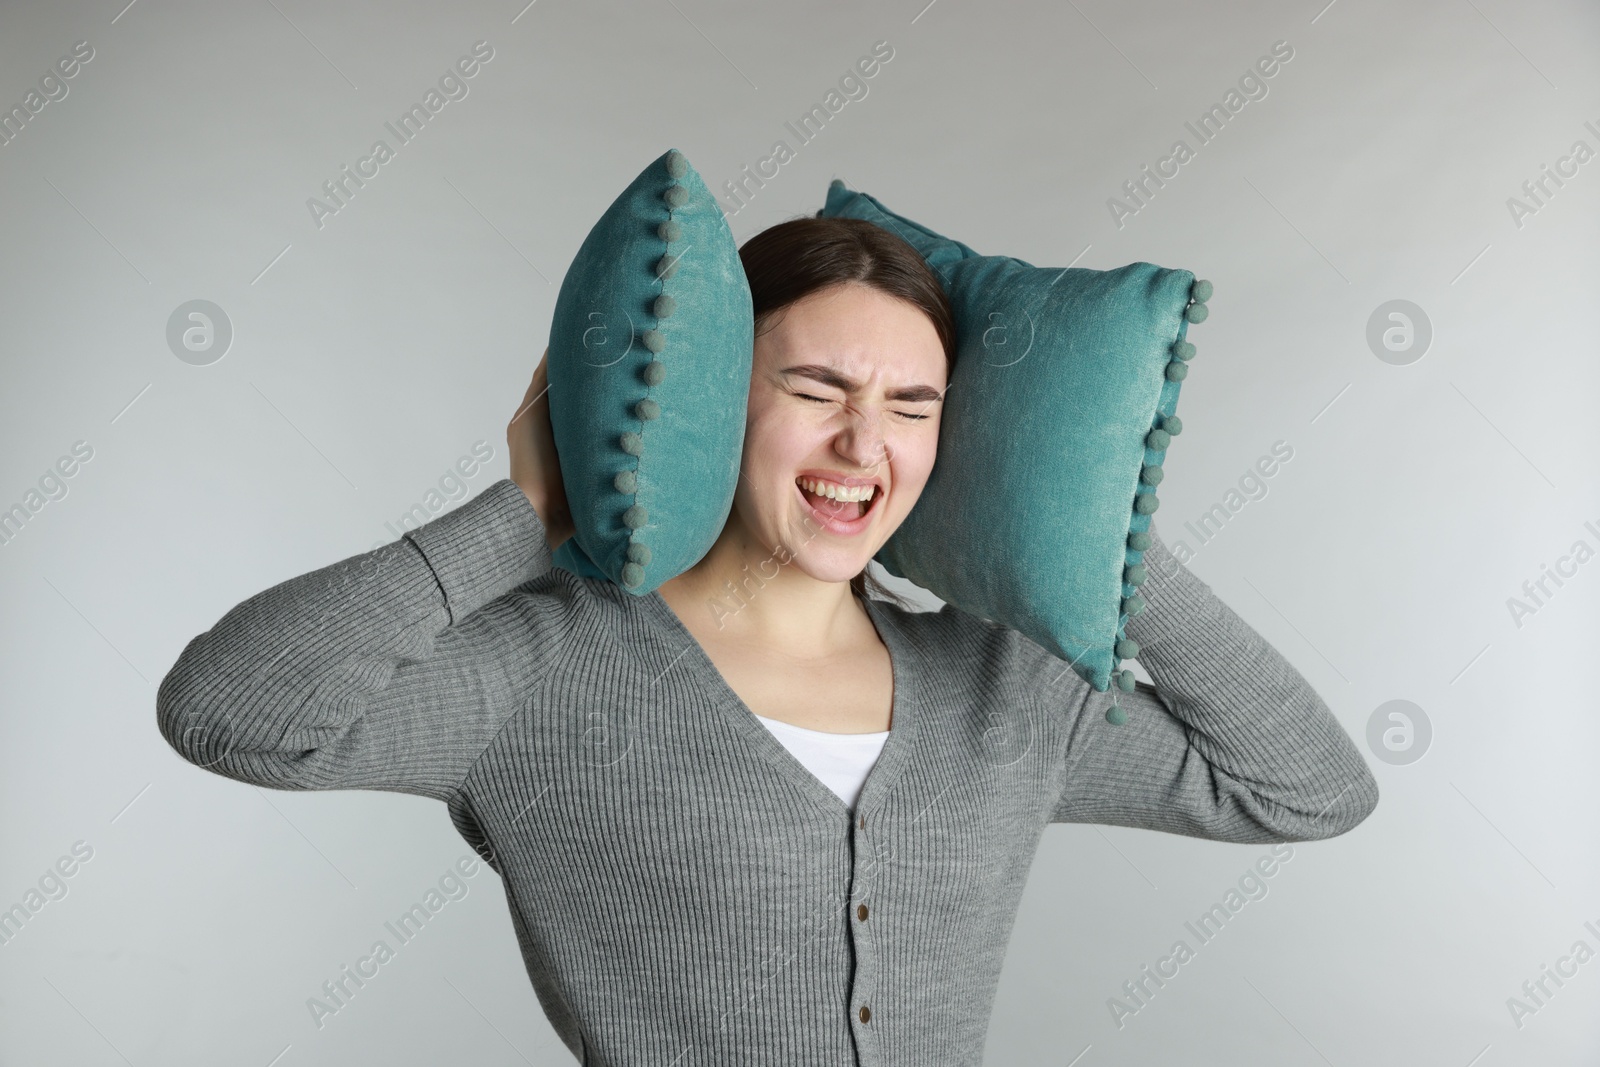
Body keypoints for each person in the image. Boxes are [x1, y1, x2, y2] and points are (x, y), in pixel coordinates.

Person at [157, 216, 1378, 1065]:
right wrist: (531, 506)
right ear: (717, 394)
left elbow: (1304, 791)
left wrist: (1099, 534)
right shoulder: (546, 668)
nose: (865, 446)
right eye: (816, 392)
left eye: (911, 407)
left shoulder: (1002, 683)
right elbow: (233, 711)